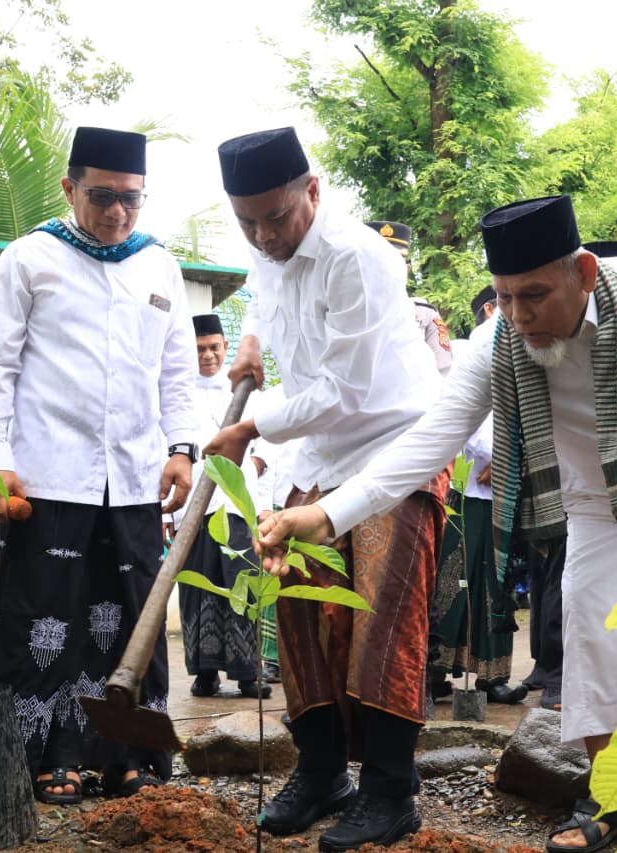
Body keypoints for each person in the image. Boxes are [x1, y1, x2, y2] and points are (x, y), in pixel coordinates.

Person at [257, 195, 617, 852]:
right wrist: (326, 513)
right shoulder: (499, 344)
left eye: (535, 295)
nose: (521, 316)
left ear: (582, 272)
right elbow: (430, 440)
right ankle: (616, 795)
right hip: (600, 503)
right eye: (506, 297)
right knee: (595, 638)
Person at [204, 126, 446, 851]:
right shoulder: (262, 242)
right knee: (304, 616)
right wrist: (249, 334)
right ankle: (320, 774)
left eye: (275, 217)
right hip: (316, 456)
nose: (263, 235)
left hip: (395, 447)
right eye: (247, 221)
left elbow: (345, 387)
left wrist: (250, 424)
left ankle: (389, 791)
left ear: (313, 190)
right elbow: (264, 290)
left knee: (381, 615)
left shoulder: (359, 257)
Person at [0, 126, 198, 804]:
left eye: (132, 199)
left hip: (133, 479)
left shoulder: (159, 267)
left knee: (133, 617)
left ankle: (129, 755)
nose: (118, 213)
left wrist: (183, 447)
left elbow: (177, 372)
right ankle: (47, 755)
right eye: (102, 196)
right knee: (45, 616)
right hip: (49, 474)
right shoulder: (29, 258)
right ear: (70, 188)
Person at [171, 313, 271, 699]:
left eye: (214, 347)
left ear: (226, 348)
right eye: (200, 350)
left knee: (241, 584)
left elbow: (268, 449)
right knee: (198, 589)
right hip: (195, 507)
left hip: (237, 505)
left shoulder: (248, 394)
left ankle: (248, 674)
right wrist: (174, 512)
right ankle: (205, 673)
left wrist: (260, 502)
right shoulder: (178, 396)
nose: (208, 355)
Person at [432, 338, 527, 706]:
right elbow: (464, 427)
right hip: (463, 494)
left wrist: (508, 460)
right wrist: (500, 456)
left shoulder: (515, 382)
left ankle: (494, 677)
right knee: (453, 580)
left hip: (501, 499)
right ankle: (435, 670)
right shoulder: (464, 375)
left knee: (495, 584)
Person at [367, 219, 454, 377]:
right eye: (376, 263)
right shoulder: (337, 312)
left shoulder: (426, 315)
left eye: (392, 264)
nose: (384, 271)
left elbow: (444, 376)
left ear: (406, 270)